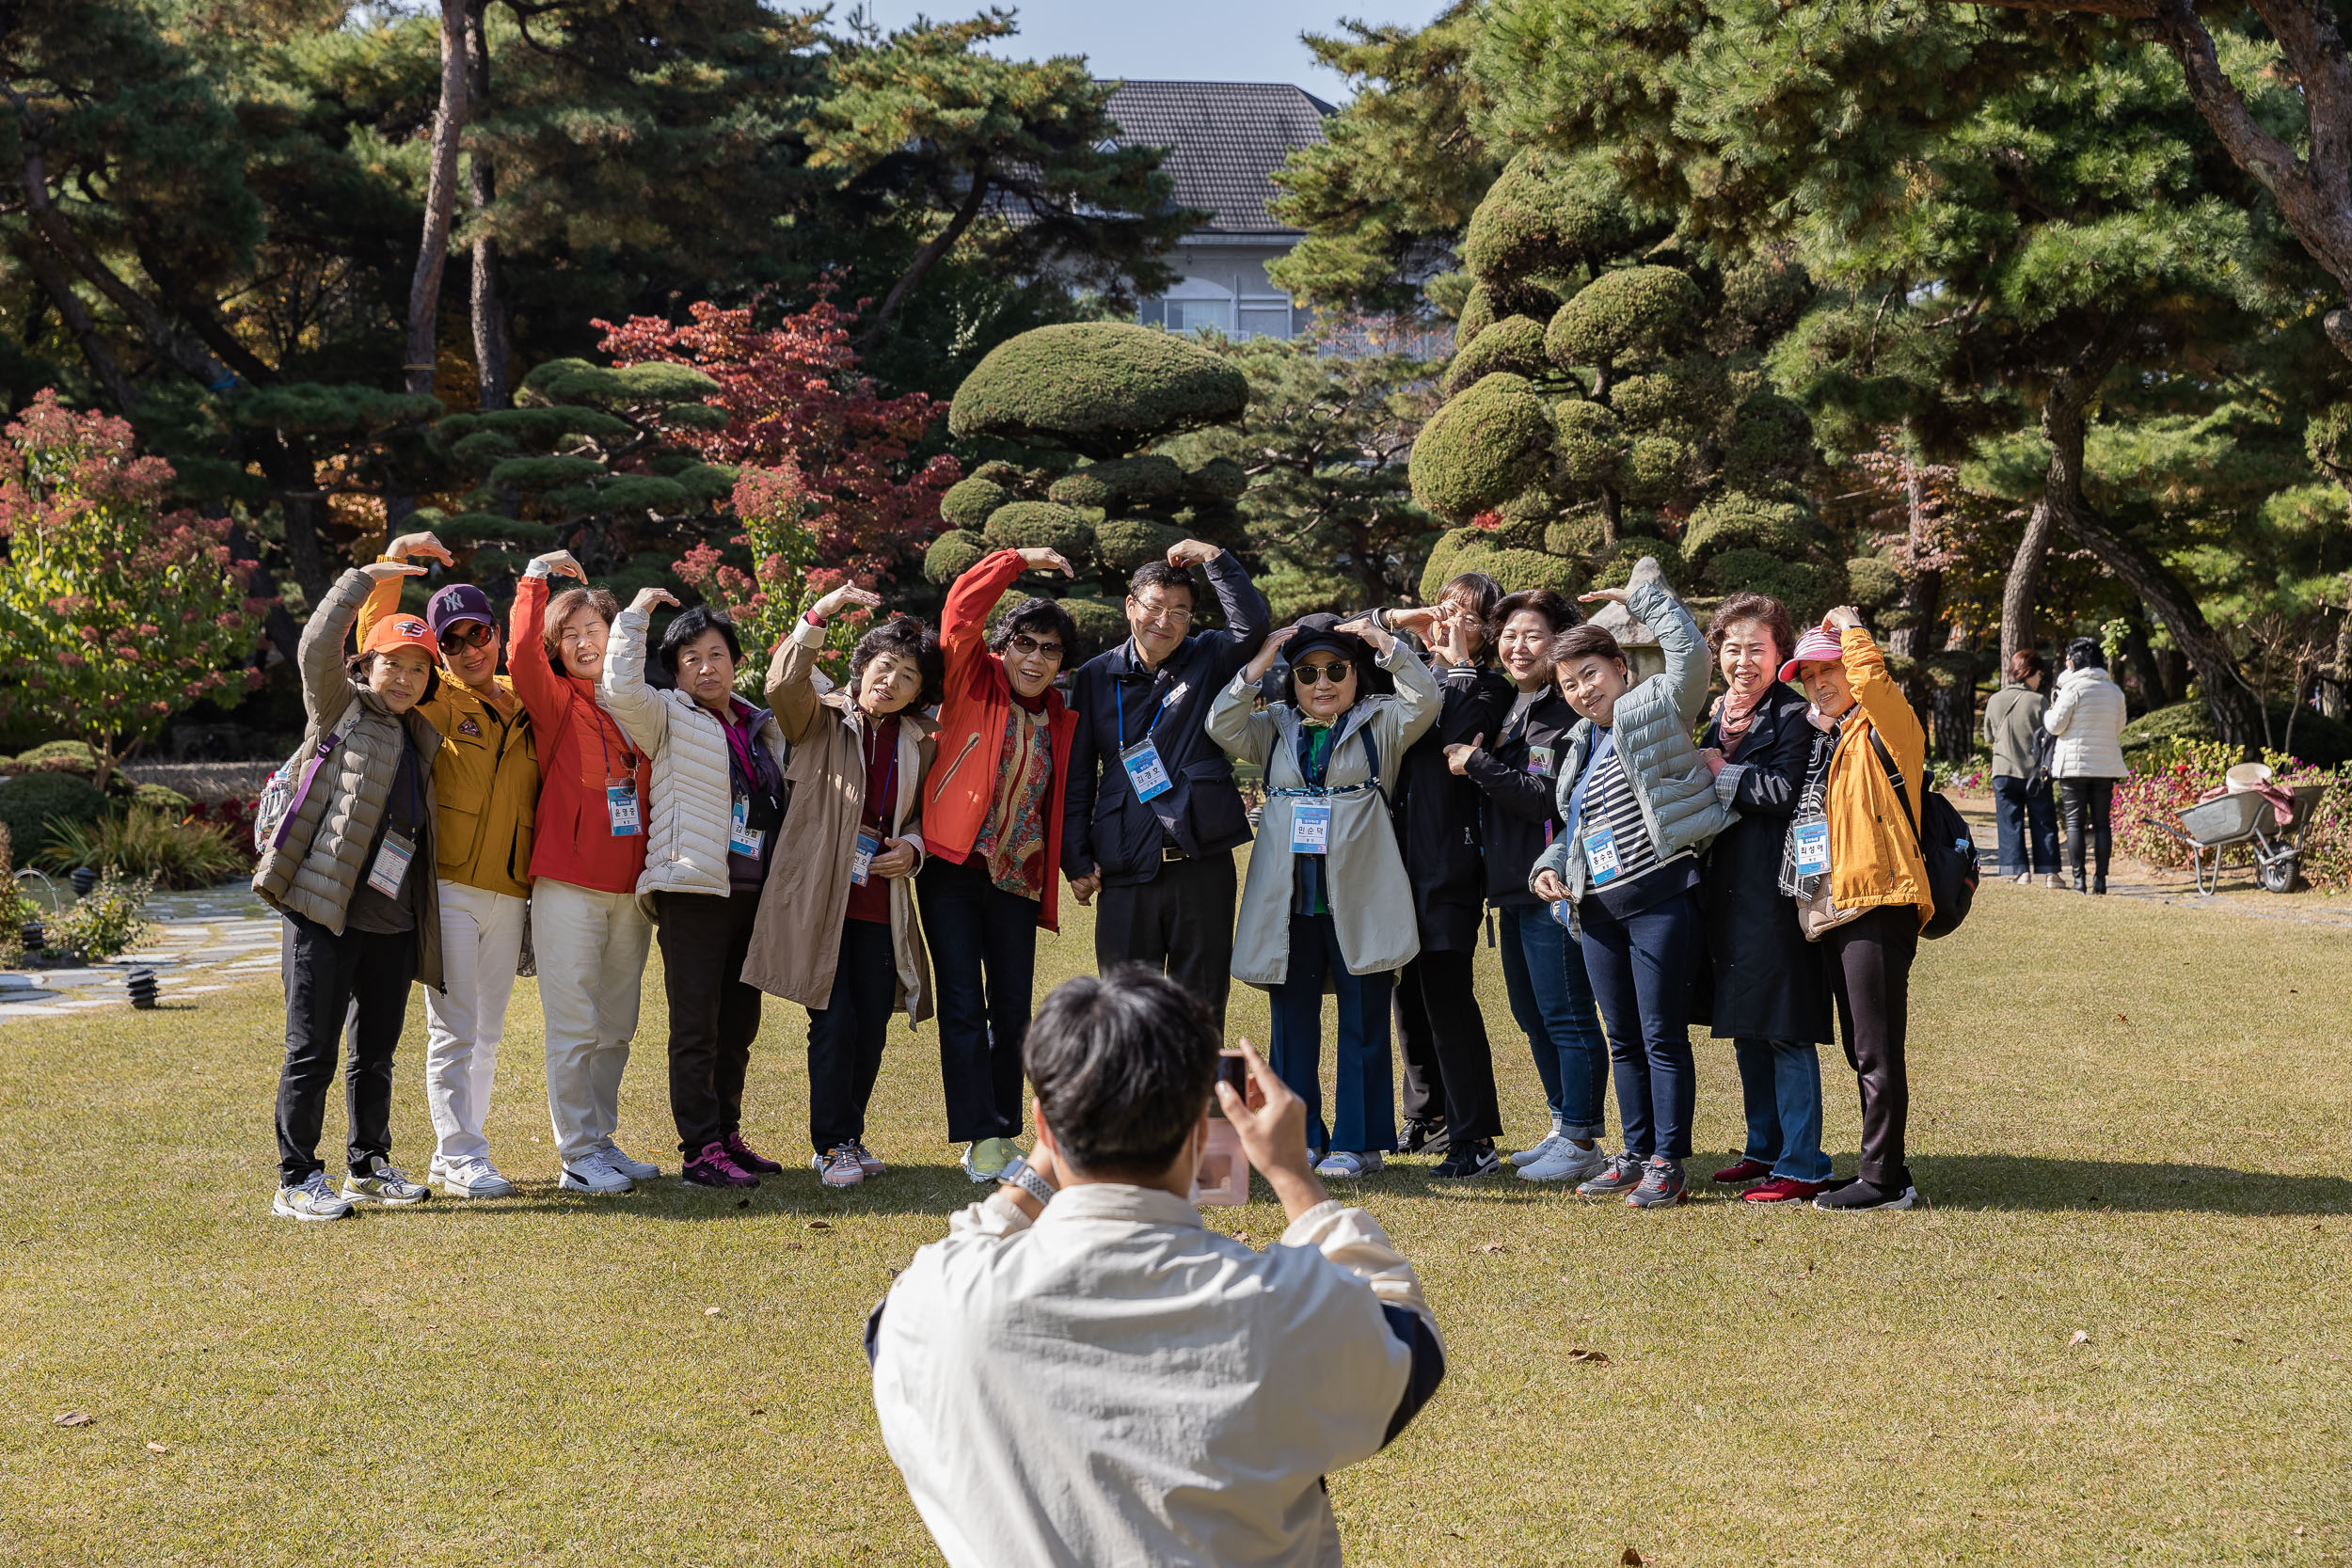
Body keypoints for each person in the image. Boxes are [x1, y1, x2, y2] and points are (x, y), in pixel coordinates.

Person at [868, 967, 1443, 1568]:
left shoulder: (946, 1304)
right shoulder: (1277, 1303)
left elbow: (890, 1329)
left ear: (1044, 1127)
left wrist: (1036, 1173)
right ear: (1203, 1128)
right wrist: (1294, 1177)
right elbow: (1408, 1342)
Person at [1530, 578, 1733, 1212]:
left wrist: (1644, 594)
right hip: (1597, 912)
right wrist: (1548, 866)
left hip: (1661, 898)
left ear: (1619, 668)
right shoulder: (1579, 745)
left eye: (1590, 674)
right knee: (1621, 1038)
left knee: (1660, 1035)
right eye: (1569, 684)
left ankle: (1669, 1162)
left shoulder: (1657, 707)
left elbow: (1693, 655)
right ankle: (1636, 1153)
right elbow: (1574, 830)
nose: (1582, 690)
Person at [1210, 612, 1438, 1176]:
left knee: (1364, 1021)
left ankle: (1358, 1144)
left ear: (1357, 675)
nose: (1322, 683)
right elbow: (1221, 724)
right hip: (1291, 903)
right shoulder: (1276, 727)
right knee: (1292, 1026)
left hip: (1359, 898)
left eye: (1337, 669)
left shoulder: (1381, 723)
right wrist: (1258, 667)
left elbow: (1425, 698)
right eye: (1307, 672)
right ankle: (1300, 1136)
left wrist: (1386, 643)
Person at [255, 560, 442, 1220]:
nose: (406, 677)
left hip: (391, 920)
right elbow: (313, 645)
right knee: (312, 1050)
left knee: (376, 1053)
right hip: (323, 911)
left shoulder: (420, 733)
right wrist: (361, 578)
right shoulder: (339, 707)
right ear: (367, 666)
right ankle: (296, 1177)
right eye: (394, 663)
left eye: (419, 668)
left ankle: (368, 1162)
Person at [355, 532, 538, 1199]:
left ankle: (457, 1153)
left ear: (495, 633)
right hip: (450, 888)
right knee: (454, 1026)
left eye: (477, 634)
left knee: (487, 1030)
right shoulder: (436, 698)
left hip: (509, 889)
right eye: (451, 642)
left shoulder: (523, 701)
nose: (468, 649)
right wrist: (392, 564)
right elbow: (377, 641)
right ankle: (461, 1151)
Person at [742, 587, 941, 1189]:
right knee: (833, 1021)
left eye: (908, 675)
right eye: (886, 667)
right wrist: (818, 616)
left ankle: (850, 1136)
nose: (894, 681)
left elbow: (923, 815)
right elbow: (782, 684)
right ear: (861, 669)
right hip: (825, 897)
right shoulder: (818, 718)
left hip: (882, 902)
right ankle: (829, 1145)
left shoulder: (919, 739)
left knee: (873, 1021)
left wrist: (914, 848)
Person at [600, 591, 792, 1189]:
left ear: (736, 660)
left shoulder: (758, 724)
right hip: (692, 889)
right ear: (675, 668)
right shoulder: (666, 714)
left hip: (751, 894)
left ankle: (726, 1134)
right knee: (695, 1027)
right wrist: (633, 618)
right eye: (690, 657)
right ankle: (699, 1149)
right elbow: (619, 689)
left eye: (716, 654)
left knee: (738, 1025)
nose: (706, 667)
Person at [918, 546, 1081, 1183]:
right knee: (962, 1000)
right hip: (953, 866)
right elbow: (960, 611)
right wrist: (1018, 559)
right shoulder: (971, 678)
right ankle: (980, 1136)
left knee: (1012, 1007)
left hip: (1018, 874)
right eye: (1024, 644)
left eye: (1049, 650)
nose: (1035, 659)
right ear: (1004, 646)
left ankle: (1002, 1129)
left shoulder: (1060, 718)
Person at [1061, 540, 1271, 1028]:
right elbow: (1077, 775)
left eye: (1180, 611)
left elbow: (1252, 626)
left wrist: (1217, 558)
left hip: (1201, 861)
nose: (1166, 620)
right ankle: (1135, 1105)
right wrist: (1075, 855)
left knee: (1200, 1008)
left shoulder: (1210, 657)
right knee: (1125, 1010)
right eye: (1155, 606)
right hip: (1125, 864)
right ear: (1131, 605)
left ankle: (1193, 1105)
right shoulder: (1096, 675)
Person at [1445, 587, 1612, 1186]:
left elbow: (1548, 797)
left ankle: (1583, 1137)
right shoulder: (1511, 705)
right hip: (1511, 886)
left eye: (1532, 635)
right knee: (1532, 1014)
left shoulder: (1567, 711)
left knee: (1567, 1014)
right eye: (1509, 635)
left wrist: (1479, 764)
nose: (1518, 646)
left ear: (1558, 641)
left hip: (1554, 884)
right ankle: (1562, 1121)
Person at [509, 550, 660, 1195]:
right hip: (568, 883)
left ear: (613, 632)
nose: (580, 641)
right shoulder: (554, 700)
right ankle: (576, 1153)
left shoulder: (637, 704)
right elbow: (518, 654)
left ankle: (600, 1137)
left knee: (617, 1025)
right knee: (573, 1025)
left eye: (591, 628)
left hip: (632, 888)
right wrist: (535, 578)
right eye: (567, 635)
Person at [1780, 608, 1932, 1212]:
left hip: (1880, 902)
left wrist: (1850, 627)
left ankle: (1884, 1182)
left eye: (1831, 668)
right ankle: (1885, 1166)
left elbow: (1873, 682)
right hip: (1842, 906)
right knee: (1860, 1046)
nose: (1820, 681)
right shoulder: (1836, 740)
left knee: (1875, 1047)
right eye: (1809, 673)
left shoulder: (1886, 724)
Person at [1692, 593, 1837, 1204]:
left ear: (1780, 654)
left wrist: (1720, 769)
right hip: (1726, 895)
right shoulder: (1715, 714)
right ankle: (1763, 1148)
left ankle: (1803, 1164)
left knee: (1786, 1029)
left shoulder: (1794, 716)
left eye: (1757, 648)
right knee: (1748, 1026)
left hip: (1779, 894)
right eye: (1732, 647)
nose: (1742, 659)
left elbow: (1783, 790)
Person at [1383, 574, 1516, 1180]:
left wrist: (1460, 658)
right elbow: (1344, 632)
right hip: (1394, 859)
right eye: (1446, 608)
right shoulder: (1411, 674)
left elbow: (1459, 734)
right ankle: (1426, 1110)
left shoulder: (1490, 686)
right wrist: (1407, 621)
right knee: (1404, 994)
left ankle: (1474, 1134)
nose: (1449, 621)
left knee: (1446, 995)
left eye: (1467, 615)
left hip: (1451, 863)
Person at [2044, 636, 2129, 895]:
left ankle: (2079, 880)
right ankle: (2101, 880)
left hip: (2074, 767)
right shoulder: (2114, 691)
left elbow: (2055, 725)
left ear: (2076, 661)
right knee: (2102, 824)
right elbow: (2119, 726)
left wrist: (2049, 710)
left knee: (2074, 823)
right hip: (2105, 765)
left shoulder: (2072, 689)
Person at [1985, 647, 2061, 888]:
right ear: (2029, 673)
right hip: (2034, 773)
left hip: (2003, 770)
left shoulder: (1994, 699)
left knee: (2009, 823)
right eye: (2039, 674)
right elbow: (2050, 735)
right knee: (2044, 821)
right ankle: (2051, 875)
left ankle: (2020, 872)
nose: (2040, 679)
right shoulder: (2039, 701)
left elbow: (1988, 736)